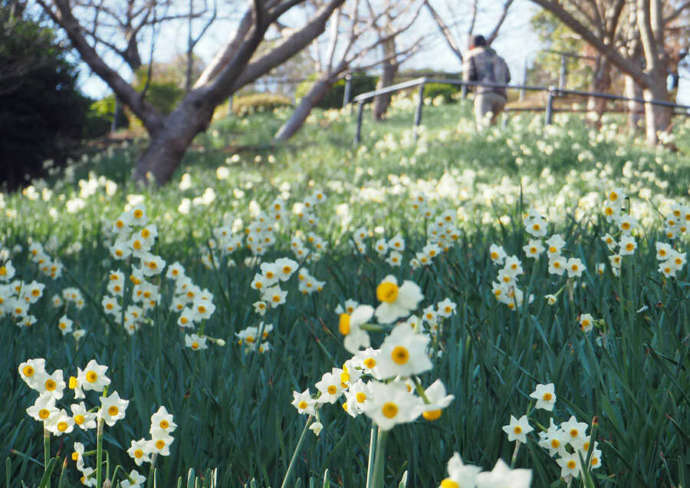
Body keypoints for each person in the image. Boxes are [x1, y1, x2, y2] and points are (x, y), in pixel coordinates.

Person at [462, 34, 511, 129]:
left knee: (483, 127)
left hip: (484, 94)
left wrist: (471, 89)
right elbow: (508, 78)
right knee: (494, 129)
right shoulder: (499, 58)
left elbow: (468, 77)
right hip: (501, 96)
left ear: (472, 46)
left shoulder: (471, 54)